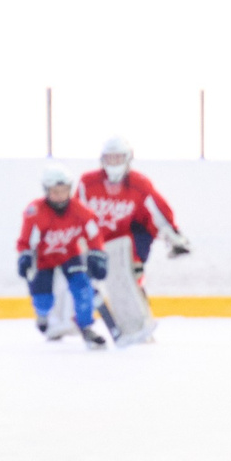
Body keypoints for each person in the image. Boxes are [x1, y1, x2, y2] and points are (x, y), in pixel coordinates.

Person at [79, 135, 190, 342]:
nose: (114, 163)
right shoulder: (88, 182)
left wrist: (175, 237)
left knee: (131, 275)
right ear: (102, 160)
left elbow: (158, 211)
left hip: (131, 236)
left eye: (118, 157)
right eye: (110, 158)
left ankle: (140, 322)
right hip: (100, 242)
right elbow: (78, 214)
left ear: (128, 158)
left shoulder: (139, 184)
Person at [16, 164, 109, 348]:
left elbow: (93, 235)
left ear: (70, 189)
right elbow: (26, 238)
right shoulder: (35, 211)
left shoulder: (81, 211)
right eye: (55, 191)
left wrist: (97, 255)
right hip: (44, 259)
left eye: (64, 190)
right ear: (46, 191)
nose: (59, 195)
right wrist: (24, 255)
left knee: (82, 287)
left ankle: (86, 326)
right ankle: (42, 314)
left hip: (70, 255)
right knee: (43, 298)